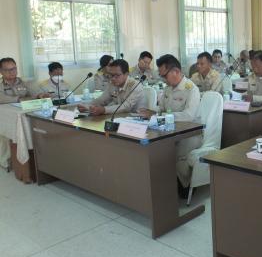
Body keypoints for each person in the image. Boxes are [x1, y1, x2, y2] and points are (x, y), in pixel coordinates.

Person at [140, 54, 201, 194]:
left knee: (174, 154)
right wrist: (150, 111)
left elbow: (188, 116)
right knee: (153, 148)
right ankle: (161, 185)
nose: (163, 79)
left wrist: (160, 115)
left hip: (189, 134)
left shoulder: (191, 89)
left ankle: (184, 184)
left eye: (164, 75)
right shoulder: (168, 88)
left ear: (176, 72)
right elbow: (160, 108)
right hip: (169, 130)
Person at [78, 59, 145, 115]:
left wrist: (104, 110)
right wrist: (87, 106)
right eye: (111, 75)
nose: (113, 78)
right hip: (119, 117)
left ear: (126, 74)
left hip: (136, 119)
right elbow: (102, 100)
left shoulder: (135, 86)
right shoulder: (113, 83)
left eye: (117, 75)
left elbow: (125, 107)